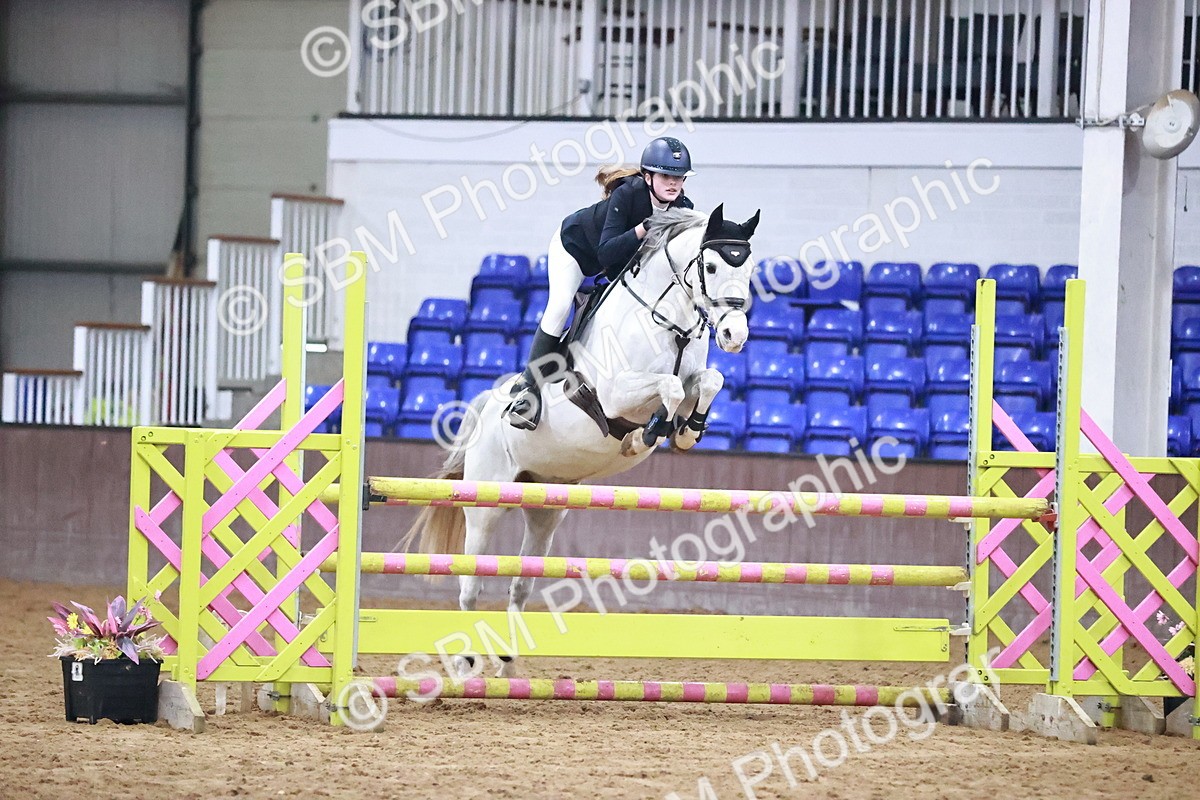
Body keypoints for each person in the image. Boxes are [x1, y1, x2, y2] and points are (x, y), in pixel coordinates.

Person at [503, 136, 697, 431]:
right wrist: (644, 228)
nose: (674, 183)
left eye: (679, 177)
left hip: (618, 264)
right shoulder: (628, 195)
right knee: (558, 308)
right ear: (648, 177)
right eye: (666, 176)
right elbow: (606, 251)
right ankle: (528, 389)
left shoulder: (683, 207)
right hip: (577, 250)